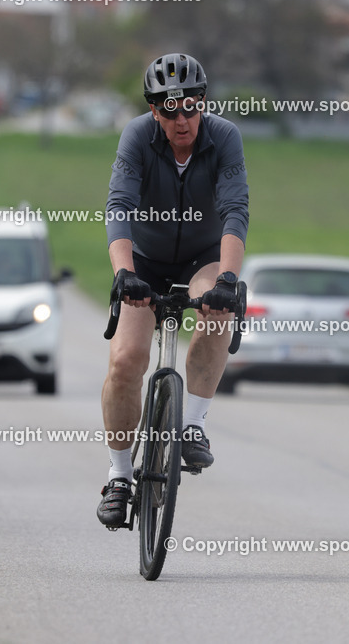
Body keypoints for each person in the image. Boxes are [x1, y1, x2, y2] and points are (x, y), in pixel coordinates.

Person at [97, 53, 250, 527]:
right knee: (126, 362)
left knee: (217, 311)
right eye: (169, 110)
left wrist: (227, 279)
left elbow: (234, 211)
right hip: (144, 261)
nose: (181, 119)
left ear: (202, 103)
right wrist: (125, 275)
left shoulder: (224, 137)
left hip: (202, 255)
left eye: (190, 106)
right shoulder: (137, 137)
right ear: (153, 111)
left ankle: (193, 424)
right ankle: (120, 475)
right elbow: (119, 206)